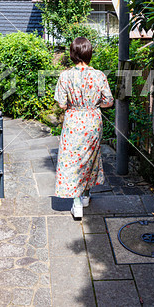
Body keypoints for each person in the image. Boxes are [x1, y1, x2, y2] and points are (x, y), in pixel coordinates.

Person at [54, 37, 114, 220]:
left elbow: (62, 104)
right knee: (90, 158)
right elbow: (109, 101)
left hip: (74, 121)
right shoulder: (99, 75)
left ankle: (77, 202)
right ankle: (86, 195)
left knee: (73, 161)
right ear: (89, 53)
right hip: (93, 122)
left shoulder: (65, 76)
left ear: (73, 54)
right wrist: (94, 105)